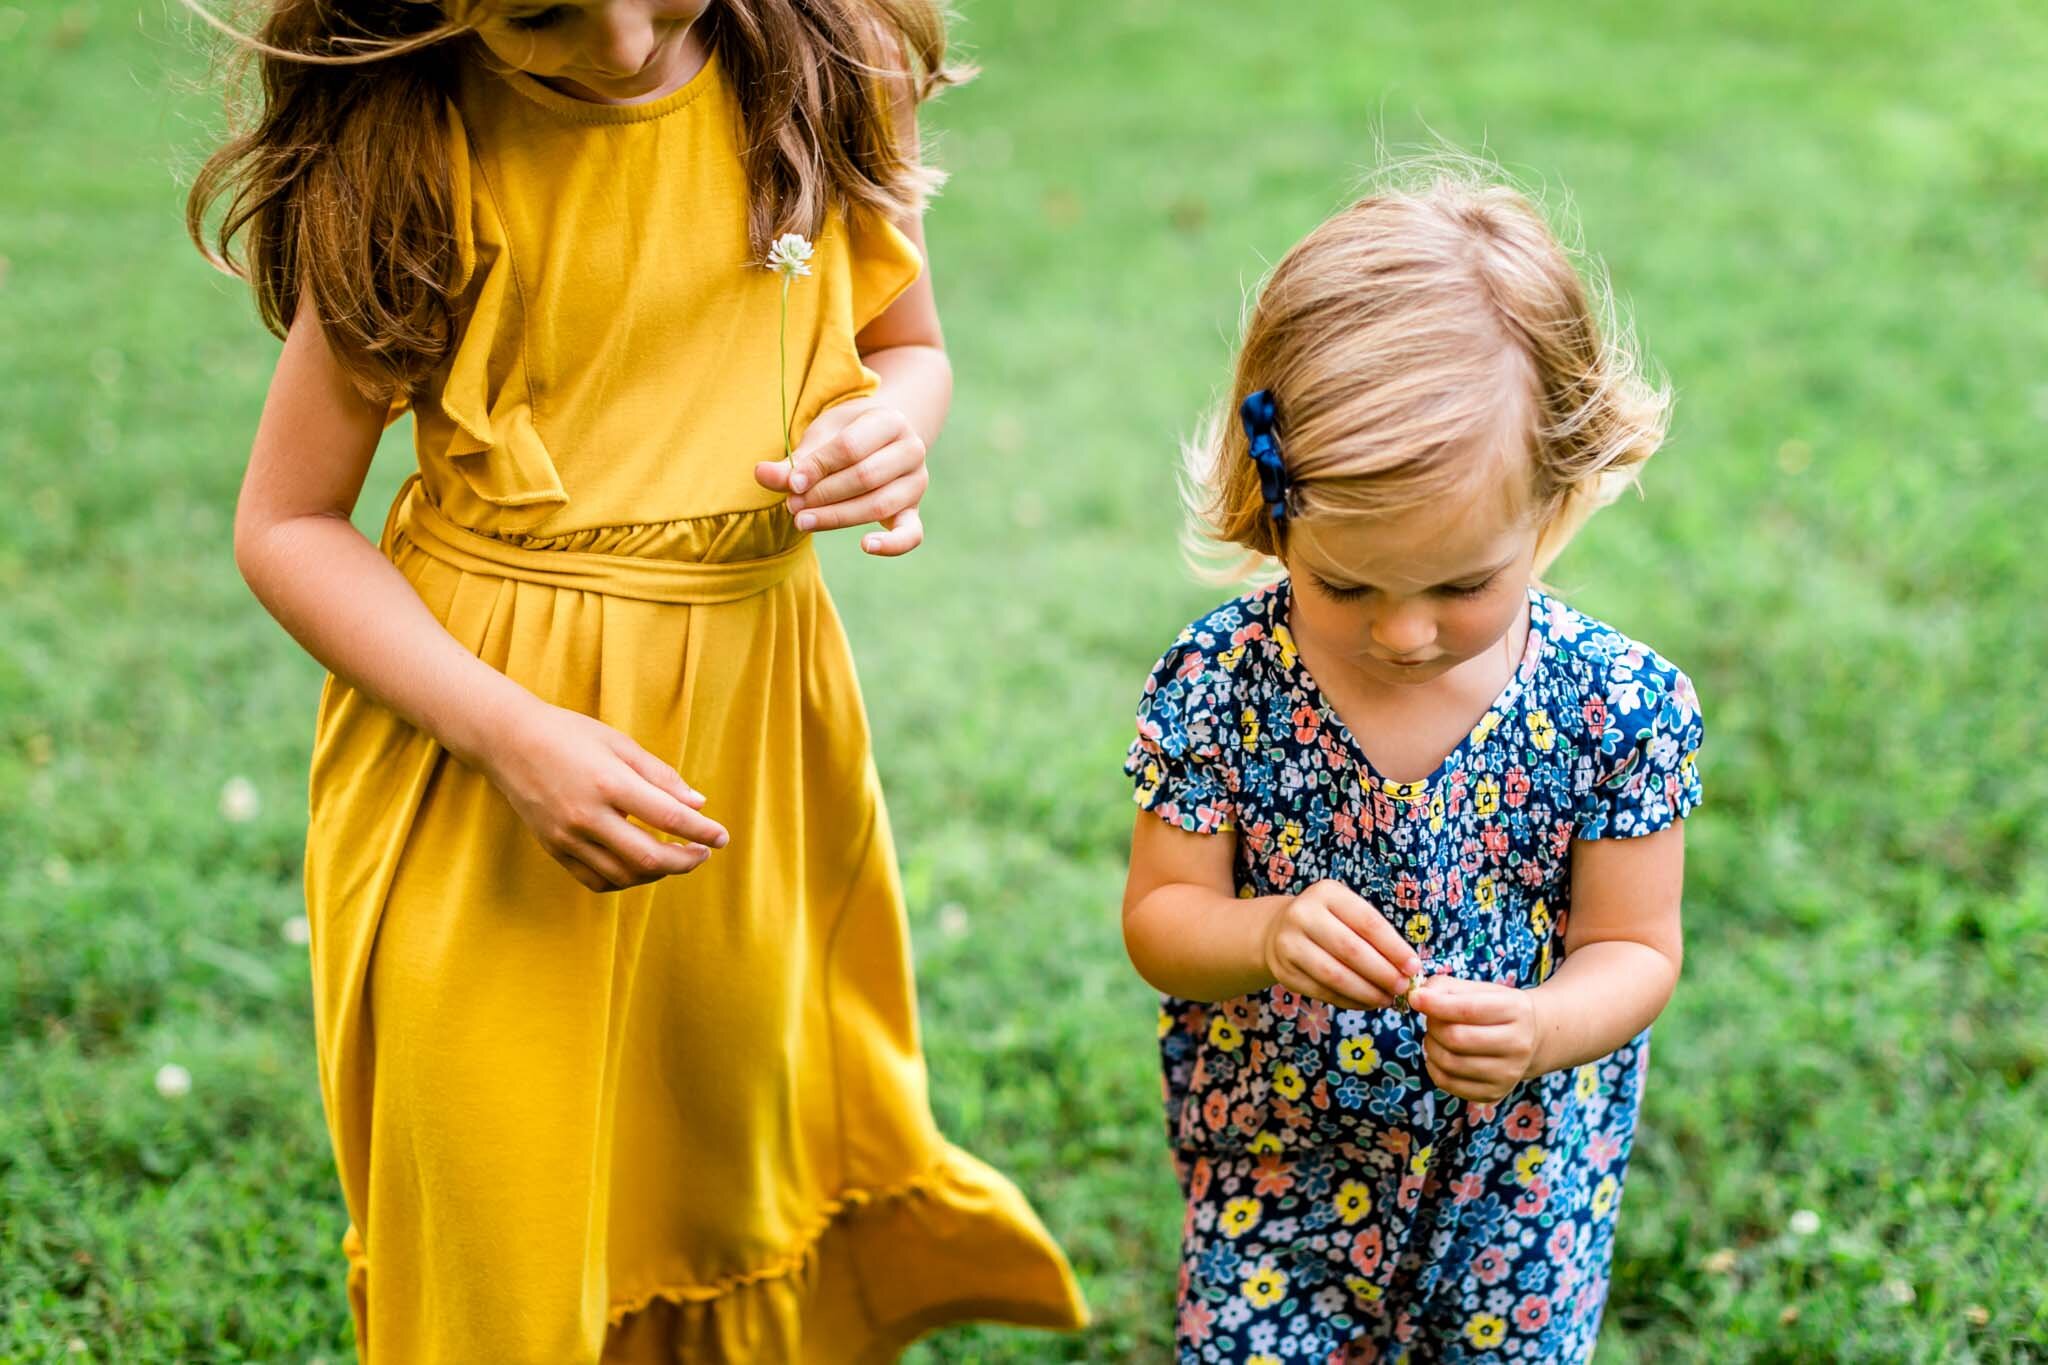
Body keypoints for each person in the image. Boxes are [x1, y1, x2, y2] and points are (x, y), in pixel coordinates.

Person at [186, 1, 1087, 1359]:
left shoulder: (824, 73)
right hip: (483, 758)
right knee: (501, 1191)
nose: (615, 41)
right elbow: (287, 522)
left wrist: (893, 430)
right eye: (546, 5)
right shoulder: (418, 147)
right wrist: (508, 734)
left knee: (713, 1167)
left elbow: (908, 346)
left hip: (748, 745)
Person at [1121, 164, 1703, 1364]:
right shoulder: (1219, 684)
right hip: (1275, 1173)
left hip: (1515, 1188)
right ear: (1273, 510)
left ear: (1551, 500)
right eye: (1343, 584)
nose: (1401, 632)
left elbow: (1633, 946)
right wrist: (1265, 932)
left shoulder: (1620, 707)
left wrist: (1541, 1027)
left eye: (1459, 584)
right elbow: (1162, 918)